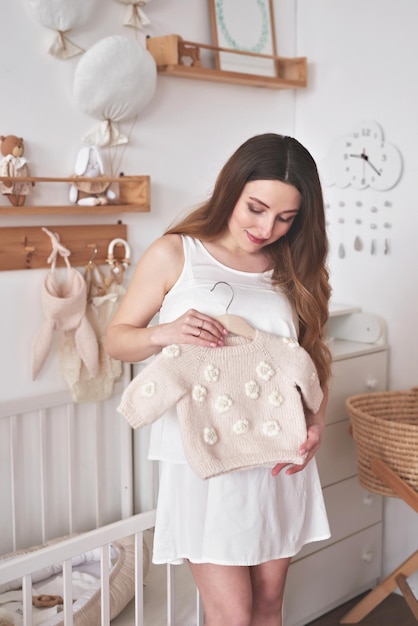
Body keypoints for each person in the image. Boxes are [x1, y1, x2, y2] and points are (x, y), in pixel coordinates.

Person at [106, 133, 332, 626]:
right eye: (256, 208)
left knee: (270, 603)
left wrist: (317, 424)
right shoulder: (176, 254)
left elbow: (310, 359)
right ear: (231, 188)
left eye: (285, 218)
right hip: (204, 460)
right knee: (233, 613)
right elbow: (116, 340)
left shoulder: (293, 265)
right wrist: (164, 333)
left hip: (276, 457)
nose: (267, 227)